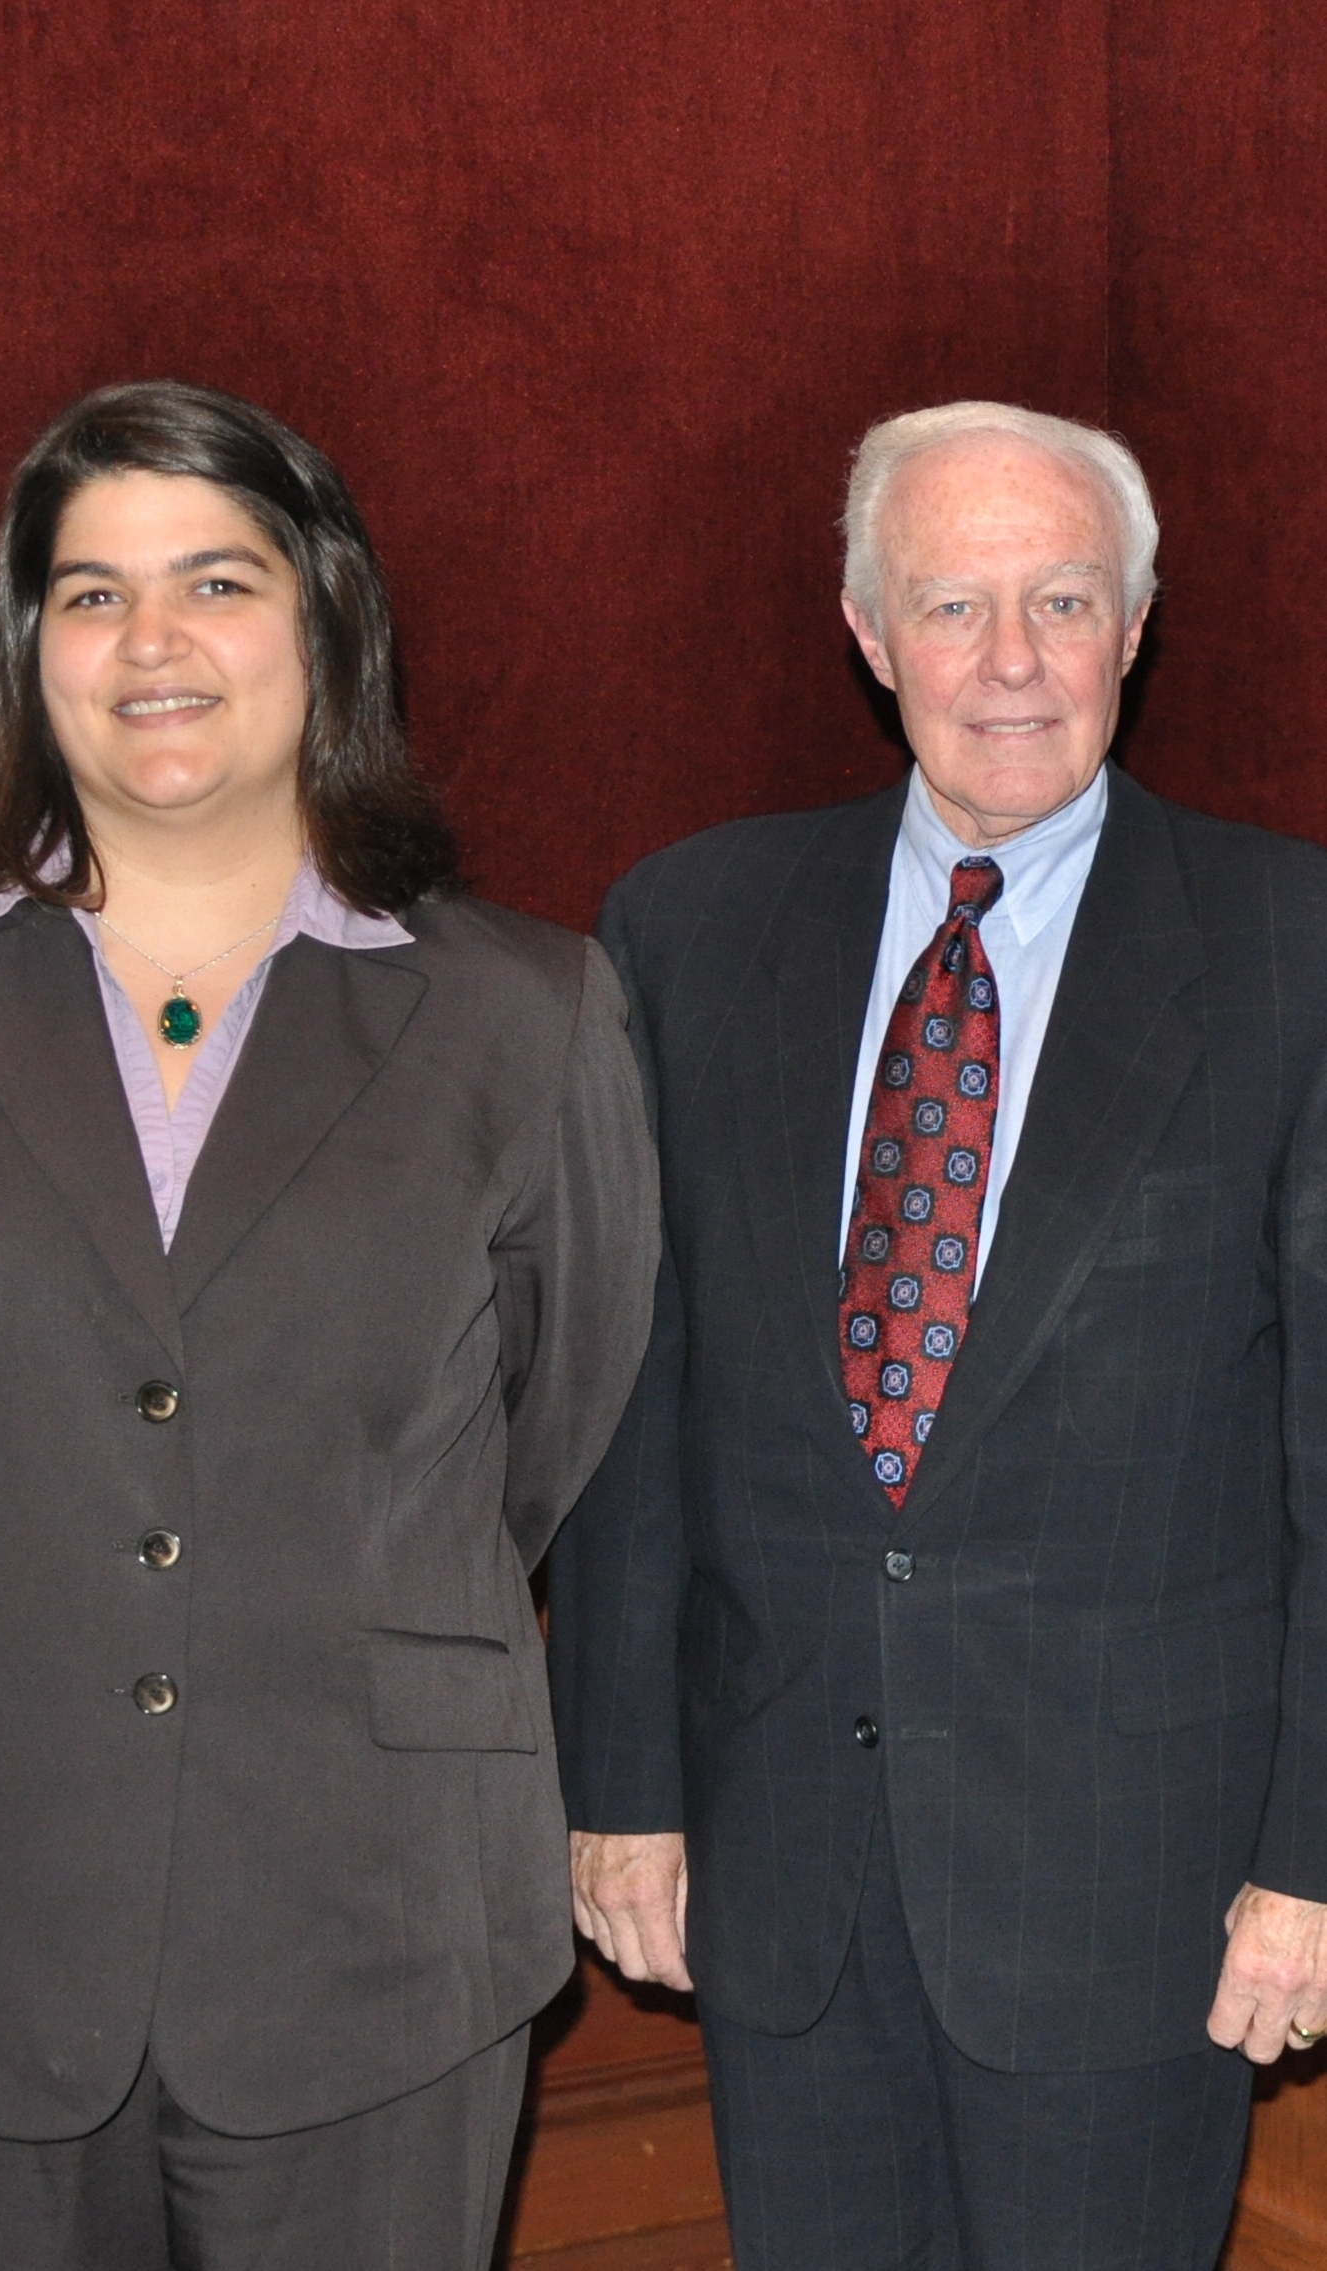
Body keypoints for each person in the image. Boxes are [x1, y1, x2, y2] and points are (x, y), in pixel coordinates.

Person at [0, 379, 659, 2271]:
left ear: (324, 621)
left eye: (217, 581)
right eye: (92, 593)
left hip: (375, 1936)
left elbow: (556, 1439)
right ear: (27, 644)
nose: (153, 643)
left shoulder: (524, 1013)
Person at [548, 401, 1327, 2270]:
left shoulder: (1294, 950)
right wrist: (623, 1791)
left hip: (1141, 1896)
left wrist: (1311, 1860)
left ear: (1133, 625)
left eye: (1061, 600)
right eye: (951, 604)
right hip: (779, 1873)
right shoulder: (686, 927)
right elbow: (633, 1405)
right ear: (865, 629)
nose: (1009, 663)